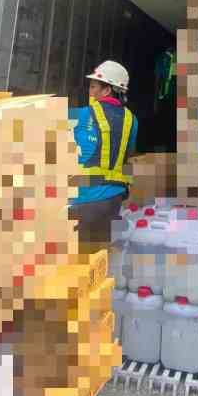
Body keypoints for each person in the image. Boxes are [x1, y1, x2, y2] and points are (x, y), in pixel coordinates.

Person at [67, 60, 138, 256]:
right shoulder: (132, 121)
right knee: (96, 257)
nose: (90, 91)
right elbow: (126, 158)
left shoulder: (82, 115)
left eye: (93, 86)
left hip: (85, 199)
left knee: (74, 263)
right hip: (113, 200)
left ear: (107, 90)